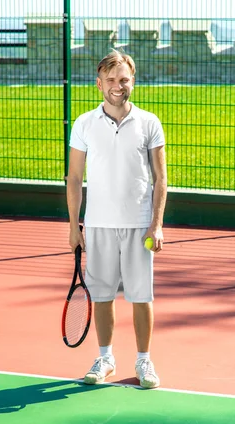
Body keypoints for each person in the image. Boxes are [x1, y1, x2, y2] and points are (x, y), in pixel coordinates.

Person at [66, 50, 167, 389]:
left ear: (132, 82)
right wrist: (73, 226)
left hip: (139, 227)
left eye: (123, 79)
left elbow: (160, 179)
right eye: (111, 80)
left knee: (141, 297)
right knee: (104, 295)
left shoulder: (150, 122)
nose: (117, 85)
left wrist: (156, 224)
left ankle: (143, 361)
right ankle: (106, 357)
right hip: (97, 225)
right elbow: (74, 178)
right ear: (99, 84)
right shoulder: (84, 123)